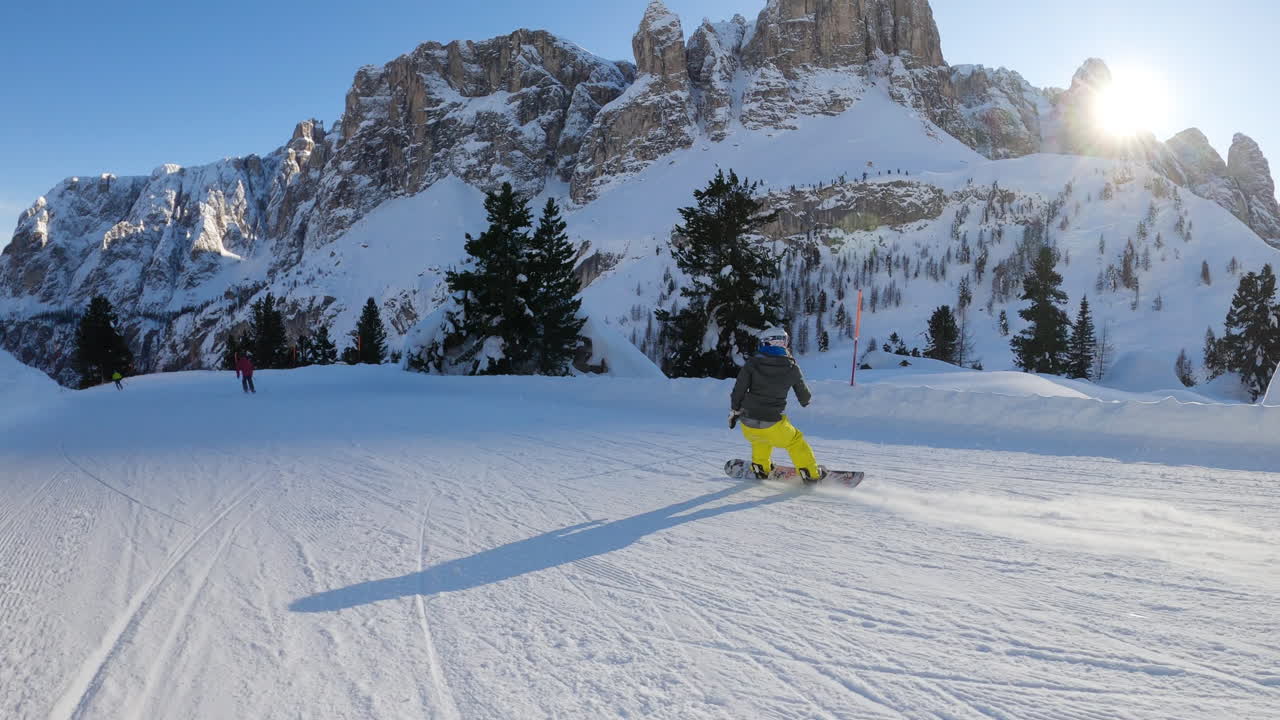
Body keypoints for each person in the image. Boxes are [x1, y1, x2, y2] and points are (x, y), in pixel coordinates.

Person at [729, 326, 825, 483]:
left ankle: (760, 468)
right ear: (783, 344)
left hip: (747, 422)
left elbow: (738, 390)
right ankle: (810, 473)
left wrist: (734, 411)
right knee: (795, 441)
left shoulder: (752, 364)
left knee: (759, 439)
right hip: (773, 423)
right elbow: (805, 398)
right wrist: (805, 399)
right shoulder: (791, 367)